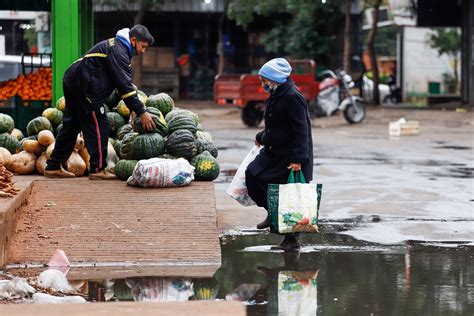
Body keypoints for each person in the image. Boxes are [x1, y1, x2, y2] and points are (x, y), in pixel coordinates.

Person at [45, 25, 156, 180]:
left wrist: (132, 106)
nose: (143, 51)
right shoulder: (119, 51)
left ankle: (53, 167)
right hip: (85, 87)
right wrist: (141, 111)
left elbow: (121, 82)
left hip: (74, 81)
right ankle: (97, 169)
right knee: (99, 125)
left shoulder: (118, 47)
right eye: (143, 46)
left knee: (72, 126)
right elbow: (124, 84)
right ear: (133, 40)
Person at [245, 58, 313, 251]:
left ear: (274, 78)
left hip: (291, 156)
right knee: (253, 175)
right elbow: (275, 126)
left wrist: (298, 159)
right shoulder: (276, 94)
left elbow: (302, 130)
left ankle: (292, 241)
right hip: (274, 151)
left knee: (290, 196)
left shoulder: (293, 96)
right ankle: (273, 213)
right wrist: (261, 136)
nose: (263, 84)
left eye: (264, 79)